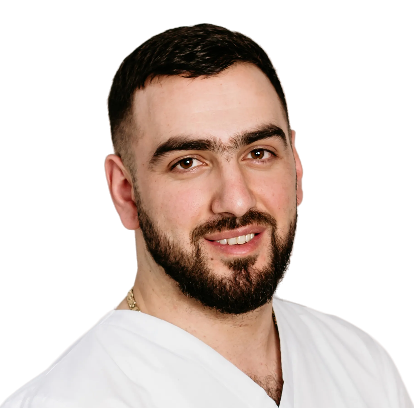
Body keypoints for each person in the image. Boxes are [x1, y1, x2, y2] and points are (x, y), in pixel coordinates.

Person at [2, 23, 412, 408]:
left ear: (296, 168)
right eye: (188, 162)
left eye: (259, 153)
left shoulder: (362, 366)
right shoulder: (67, 399)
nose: (237, 201)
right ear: (125, 192)